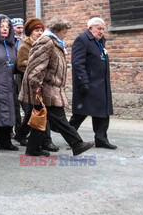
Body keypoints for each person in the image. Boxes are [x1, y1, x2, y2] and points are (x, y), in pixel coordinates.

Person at [19, 18, 94, 156]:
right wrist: (36, 85)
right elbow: (36, 65)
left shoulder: (54, 42)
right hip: (45, 88)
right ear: (56, 31)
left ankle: (32, 148)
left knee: (40, 117)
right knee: (59, 117)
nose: (65, 35)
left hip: (49, 87)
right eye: (64, 32)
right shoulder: (46, 41)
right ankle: (76, 144)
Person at [69, 17, 117, 149]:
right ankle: (69, 135)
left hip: (101, 83)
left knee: (102, 111)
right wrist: (83, 81)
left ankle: (101, 138)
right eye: (99, 29)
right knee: (80, 112)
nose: (101, 31)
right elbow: (78, 63)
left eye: (103, 29)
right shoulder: (82, 40)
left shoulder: (100, 41)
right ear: (90, 28)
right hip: (89, 83)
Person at [14, 18, 59, 152]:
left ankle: (42, 140)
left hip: (43, 83)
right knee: (33, 112)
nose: (39, 33)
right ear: (30, 32)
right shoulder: (25, 47)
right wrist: (36, 68)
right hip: (30, 85)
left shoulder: (45, 44)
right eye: (36, 31)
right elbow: (21, 65)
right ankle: (26, 136)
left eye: (41, 30)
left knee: (42, 111)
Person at [0, 15, 19, 151]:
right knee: (0, 111)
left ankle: (5, 140)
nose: (5, 29)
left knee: (8, 110)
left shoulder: (11, 46)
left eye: (7, 26)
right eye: (1, 26)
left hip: (9, 82)